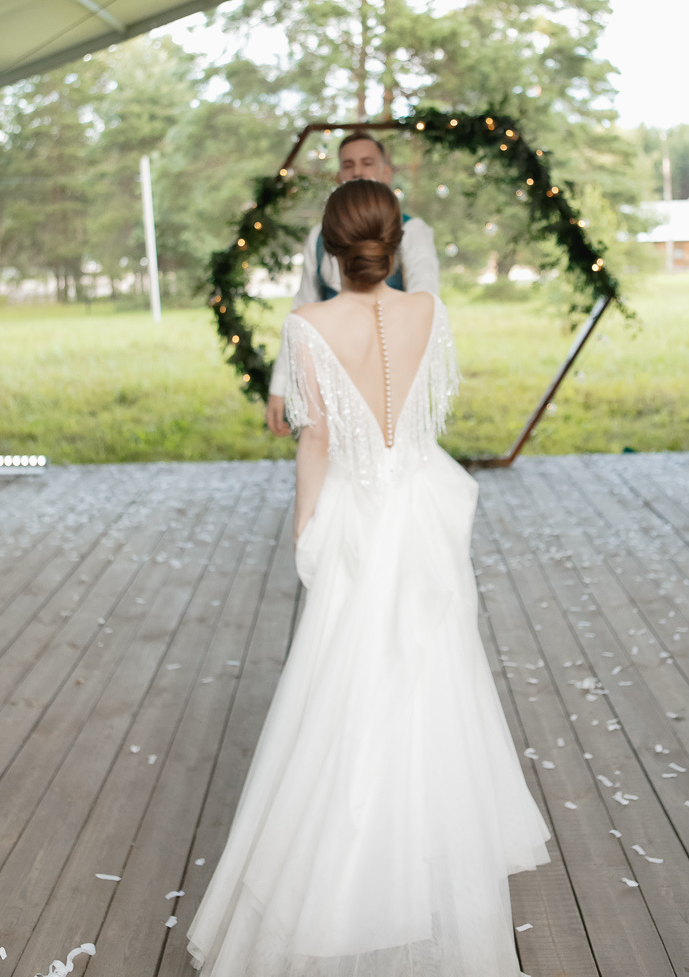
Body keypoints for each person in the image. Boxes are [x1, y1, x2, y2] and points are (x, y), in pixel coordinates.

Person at [187, 180, 550, 977]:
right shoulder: (428, 311)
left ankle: (350, 871)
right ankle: (427, 850)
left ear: (329, 246)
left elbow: (313, 445)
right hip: (420, 510)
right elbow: (424, 419)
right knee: (429, 674)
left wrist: (304, 528)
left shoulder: (308, 324)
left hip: (358, 512)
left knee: (347, 685)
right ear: (393, 239)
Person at [266, 130, 439, 437]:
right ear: (338, 176)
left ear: (386, 172)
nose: (357, 171)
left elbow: (426, 300)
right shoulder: (318, 237)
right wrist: (280, 385)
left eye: (367, 163)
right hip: (331, 376)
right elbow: (302, 307)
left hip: (390, 373)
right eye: (348, 165)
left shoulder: (412, 231)